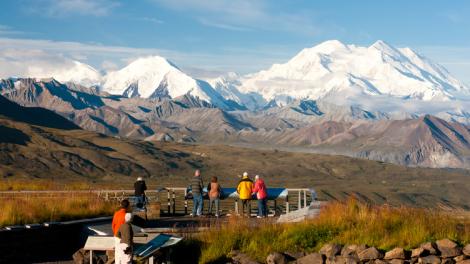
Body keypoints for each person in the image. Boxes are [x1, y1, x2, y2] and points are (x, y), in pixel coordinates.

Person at [112, 199, 130, 264]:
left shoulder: (116, 214)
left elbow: (113, 225)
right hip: (123, 238)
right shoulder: (126, 215)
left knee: (117, 254)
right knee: (124, 256)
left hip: (116, 236)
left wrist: (115, 233)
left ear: (121, 205)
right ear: (128, 206)